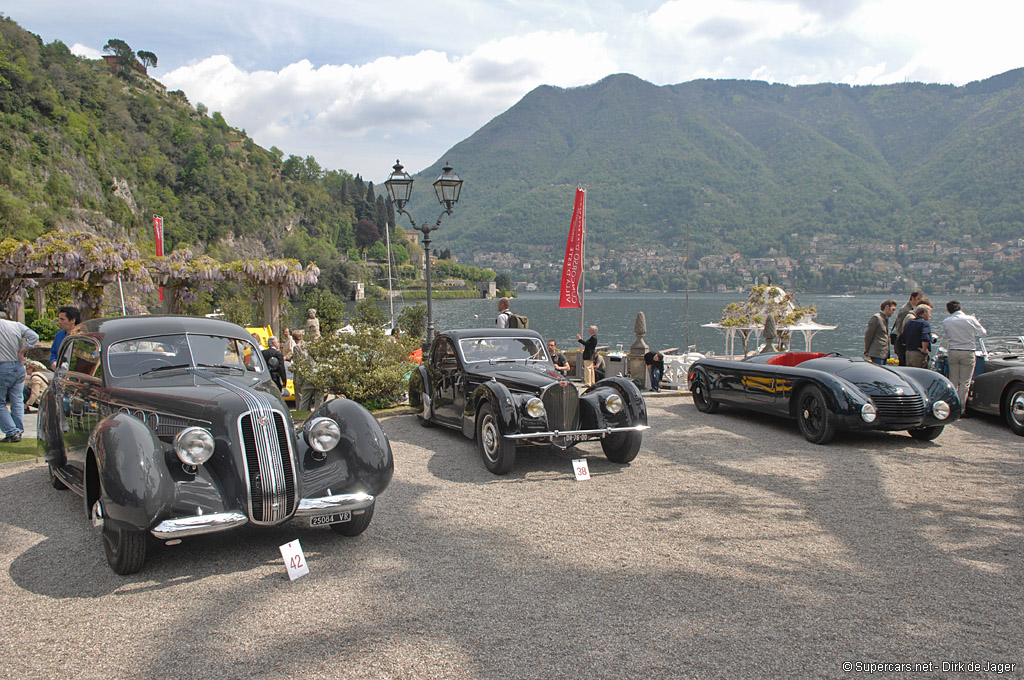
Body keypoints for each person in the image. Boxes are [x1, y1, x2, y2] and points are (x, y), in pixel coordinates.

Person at [941, 300, 987, 409]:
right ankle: (961, 407)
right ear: (960, 308)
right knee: (965, 382)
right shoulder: (970, 319)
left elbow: (947, 334)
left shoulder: (946, 321)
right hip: (967, 351)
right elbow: (983, 333)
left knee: (953, 380)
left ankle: (952, 405)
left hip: (953, 351)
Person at [0, 317, 39, 443]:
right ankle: (18, 430)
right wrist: (22, 351)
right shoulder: (16, 325)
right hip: (19, 366)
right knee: (17, 400)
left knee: (1, 403)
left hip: (3, 367)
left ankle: (12, 432)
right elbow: (34, 336)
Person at [894, 291, 924, 366]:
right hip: (903, 343)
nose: (920, 302)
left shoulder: (912, 309)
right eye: (918, 299)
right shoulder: (906, 310)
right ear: (913, 298)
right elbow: (899, 327)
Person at [864, 299, 898, 365]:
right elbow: (869, 335)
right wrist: (867, 350)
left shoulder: (884, 319)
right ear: (887, 307)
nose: (893, 312)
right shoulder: (876, 318)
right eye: (893, 309)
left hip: (883, 353)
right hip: (877, 352)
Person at [902, 303, 933, 368]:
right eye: (929, 313)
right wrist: (924, 350)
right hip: (918, 354)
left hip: (908, 353)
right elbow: (925, 338)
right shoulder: (924, 324)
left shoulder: (909, 323)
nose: (930, 316)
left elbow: (903, 339)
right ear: (924, 312)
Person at [50, 305, 81, 370]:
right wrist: (53, 362)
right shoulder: (59, 335)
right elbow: (53, 353)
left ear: (72, 320)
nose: (59, 322)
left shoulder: (82, 337)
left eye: (62, 319)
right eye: (59, 319)